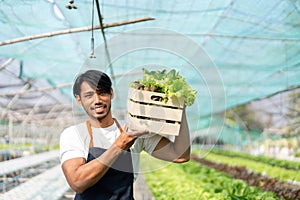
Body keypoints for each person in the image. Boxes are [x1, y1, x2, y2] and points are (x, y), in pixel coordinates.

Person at [60, 69, 190, 200]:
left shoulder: (134, 129)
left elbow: (180, 155)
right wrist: (119, 145)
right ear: (79, 100)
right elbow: (77, 182)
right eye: (89, 95)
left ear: (111, 93)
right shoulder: (74, 134)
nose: (97, 100)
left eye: (102, 93)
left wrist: (180, 111)